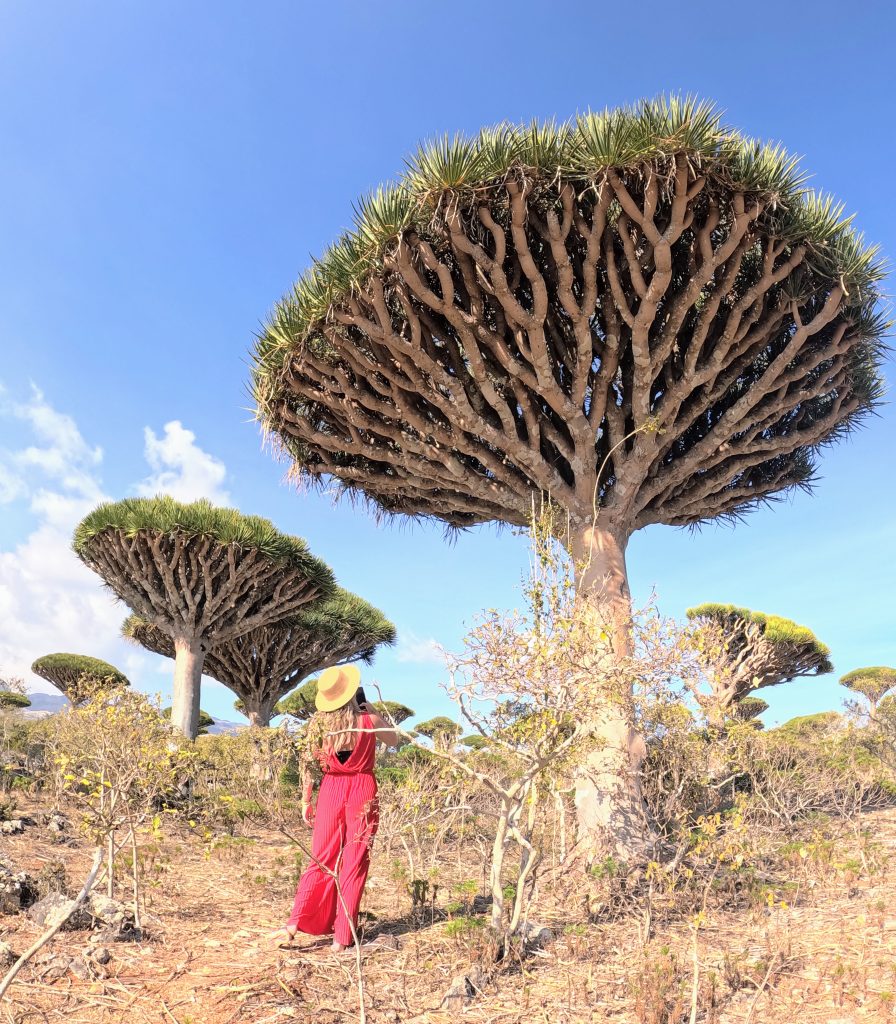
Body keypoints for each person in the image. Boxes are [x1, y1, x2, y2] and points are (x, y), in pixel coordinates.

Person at [271, 664, 399, 951]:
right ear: (353, 691)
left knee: (321, 858)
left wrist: (306, 799)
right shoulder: (367, 719)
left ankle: (294, 923)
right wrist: (370, 709)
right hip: (363, 788)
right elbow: (394, 740)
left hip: (330, 788)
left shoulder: (318, 725)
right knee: (355, 861)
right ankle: (342, 938)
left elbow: (307, 764)